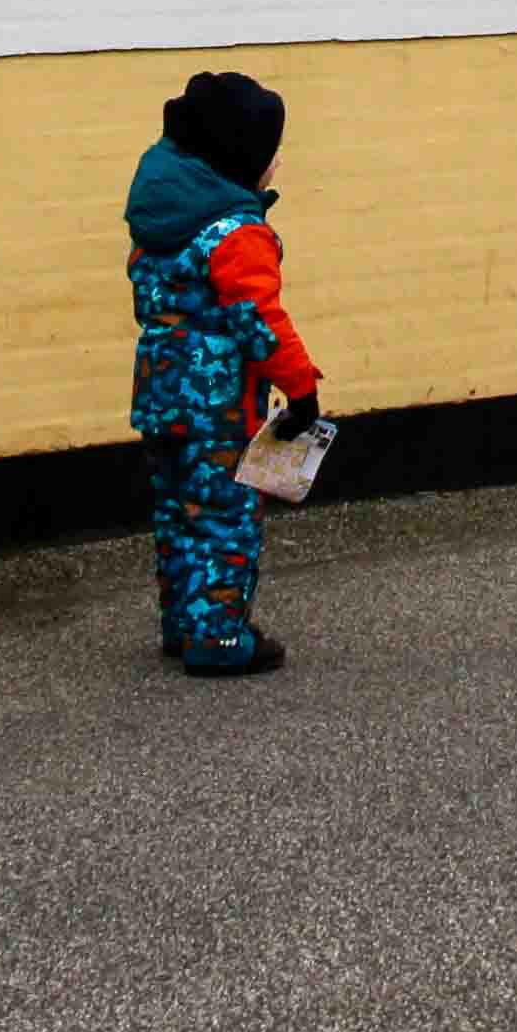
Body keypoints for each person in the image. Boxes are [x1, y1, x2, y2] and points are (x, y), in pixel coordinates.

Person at [125, 70, 324, 678]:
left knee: (175, 512)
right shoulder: (236, 233)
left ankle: (183, 623)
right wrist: (302, 386)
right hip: (217, 406)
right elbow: (258, 321)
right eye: (269, 153)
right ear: (240, 159)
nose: (276, 163)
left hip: (159, 394)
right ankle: (218, 639)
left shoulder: (163, 221)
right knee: (223, 518)